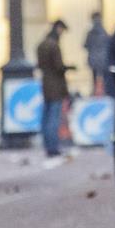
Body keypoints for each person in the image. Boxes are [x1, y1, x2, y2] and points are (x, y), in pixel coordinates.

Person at [35, 20, 70, 157]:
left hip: (45, 83)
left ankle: (47, 145)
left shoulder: (41, 44)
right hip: (55, 85)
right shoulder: (54, 45)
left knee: (46, 117)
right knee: (54, 118)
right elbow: (59, 66)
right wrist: (69, 67)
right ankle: (53, 147)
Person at [82, 13, 111, 99]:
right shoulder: (104, 32)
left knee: (95, 78)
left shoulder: (90, 33)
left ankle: (96, 92)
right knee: (104, 78)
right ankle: (104, 92)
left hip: (94, 59)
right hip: (104, 59)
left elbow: (85, 45)